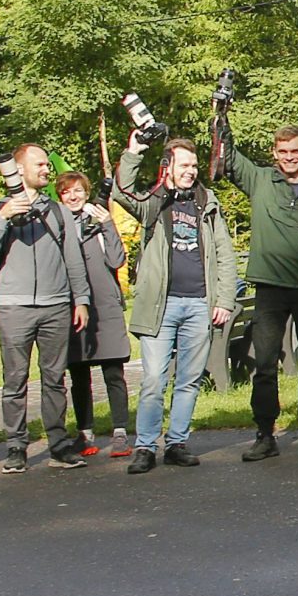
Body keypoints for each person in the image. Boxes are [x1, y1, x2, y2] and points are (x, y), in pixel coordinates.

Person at [113, 134, 237, 474]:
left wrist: (224, 299)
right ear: (167, 167)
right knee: (154, 378)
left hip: (200, 303)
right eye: (184, 165)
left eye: (194, 165)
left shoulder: (206, 200)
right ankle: (145, 446)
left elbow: (224, 253)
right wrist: (134, 150)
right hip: (161, 306)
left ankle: (177, 442)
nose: (191, 171)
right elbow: (120, 191)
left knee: (189, 378)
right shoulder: (155, 202)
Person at [0, 144, 92, 472]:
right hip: (14, 308)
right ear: (18, 169)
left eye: (46, 164)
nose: (46, 169)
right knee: (14, 380)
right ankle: (16, 447)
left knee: (54, 378)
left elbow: (73, 258)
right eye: (40, 164)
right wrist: (4, 218)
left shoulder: (57, 212)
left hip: (56, 306)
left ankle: (58, 445)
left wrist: (81, 299)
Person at [225, 124, 298, 461]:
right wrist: (222, 119)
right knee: (266, 363)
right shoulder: (260, 180)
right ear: (274, 153)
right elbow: (226, 156)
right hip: (270, 287)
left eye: (295, 152)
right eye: (283, 152)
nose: (289, 158)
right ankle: (265, 434)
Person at [55, 171, 133, 459]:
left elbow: (117, 260)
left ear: (87, 193)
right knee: (79, 373)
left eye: (78, 191)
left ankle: (120, 433)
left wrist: (107, 224)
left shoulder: (99, 222)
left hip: (106, 307)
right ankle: (85, 433)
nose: (73, 197)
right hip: (73, 307)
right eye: (66, 192)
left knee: (114, 373)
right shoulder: (59, 226)